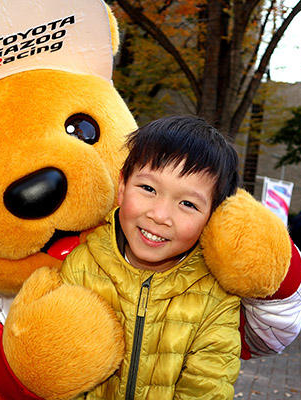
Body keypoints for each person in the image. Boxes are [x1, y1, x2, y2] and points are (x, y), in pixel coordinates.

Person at [60, 115, 241, 398]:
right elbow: (62, 376)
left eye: (187, 204)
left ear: (212, 217)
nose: (159, 215)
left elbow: (207, 388)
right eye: (148, 189)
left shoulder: (216, 297)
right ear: (122, 186)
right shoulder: (81, 266)